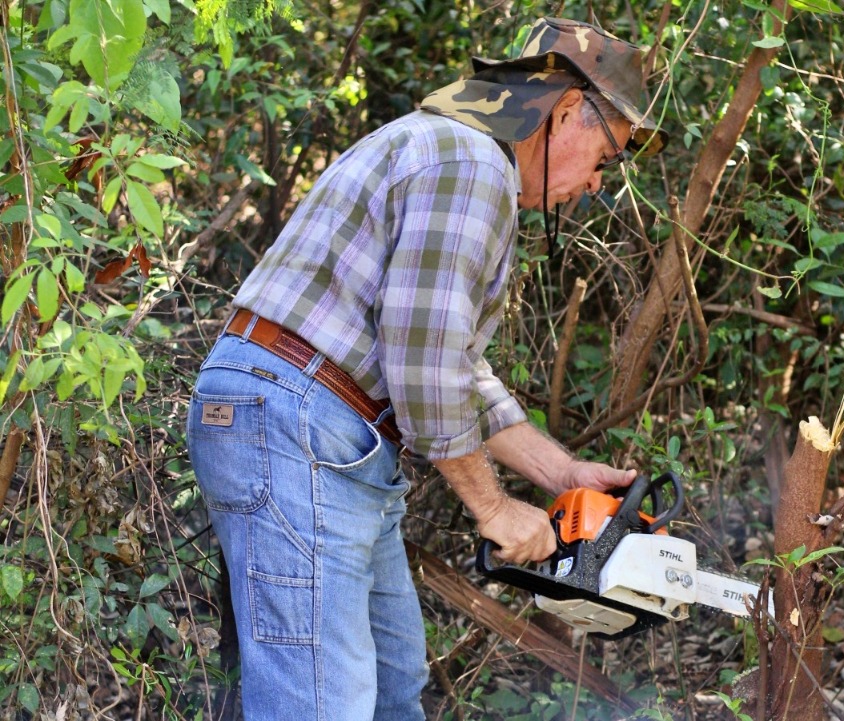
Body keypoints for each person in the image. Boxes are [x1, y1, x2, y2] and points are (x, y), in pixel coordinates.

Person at [186, 16, 666, 721]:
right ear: (565, 112)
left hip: (322, 428)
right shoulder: (469, 162)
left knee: (389, 687)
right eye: (605, 156)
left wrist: (561, 475)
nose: (595, 184)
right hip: (298, 421)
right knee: (321, 704)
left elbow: (455, 365)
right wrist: (495, 507)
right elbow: (427, 365)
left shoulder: (457, 155)